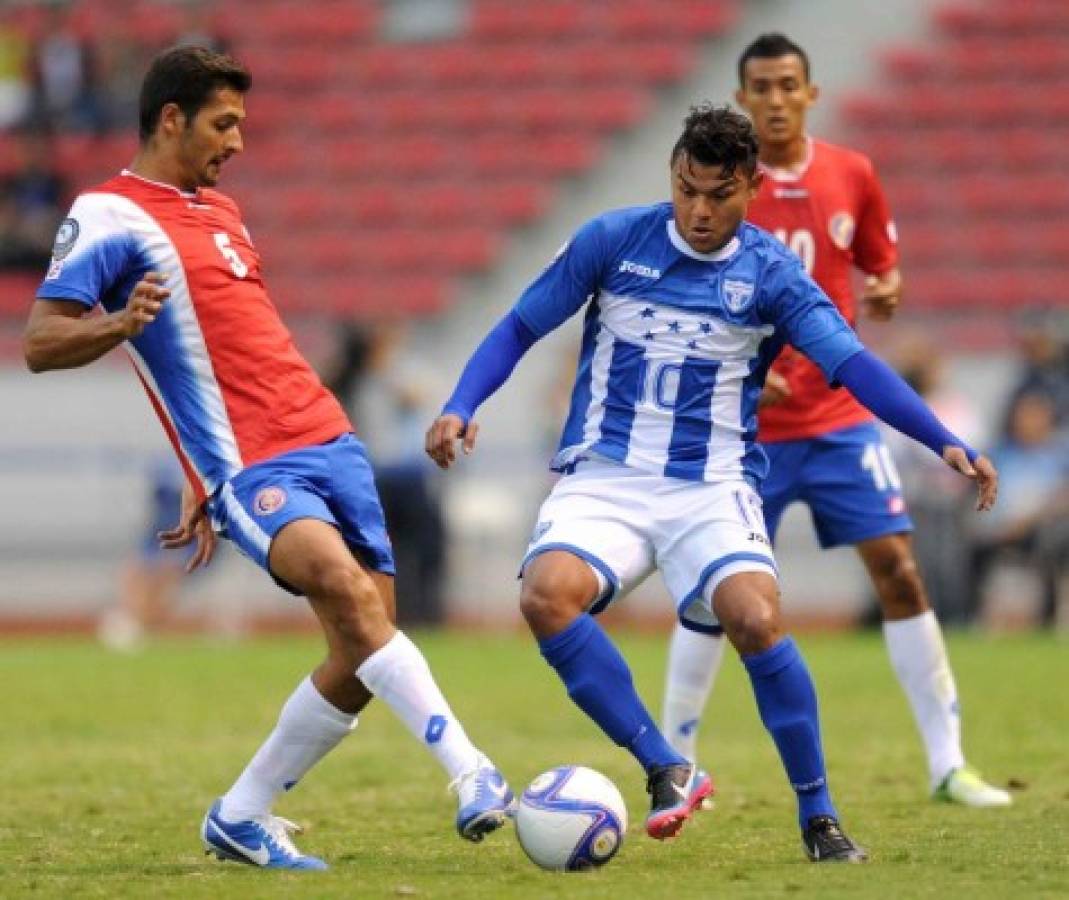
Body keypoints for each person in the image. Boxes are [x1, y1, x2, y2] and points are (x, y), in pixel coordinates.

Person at [426, 103, 997, 863]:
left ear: (750, 188)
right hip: (605, 480)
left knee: (754, 619)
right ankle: (665, 765)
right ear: (672, 173)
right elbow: (519, 328)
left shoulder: (771, 275)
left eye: (718, 194)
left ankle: (819, 819)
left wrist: (942, 439)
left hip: (710, 488)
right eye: (686, 189)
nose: (698, 210)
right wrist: (461, 403)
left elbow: (853, 366)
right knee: (543, 596)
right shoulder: (611, 240)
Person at [23, 45, 513, 872]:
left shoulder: (223, 214)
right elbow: (41, 340)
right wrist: (116, 328)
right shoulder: (109, 215)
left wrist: (187, 466)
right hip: (255, 467)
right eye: (224, 124)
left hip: (330, 439)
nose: (238, 142)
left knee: (364, 650)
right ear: (170, 119)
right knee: (351, 596)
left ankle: (241, 814)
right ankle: (473, 773)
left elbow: (219, 347)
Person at [659, 34, 1012, 810]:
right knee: (710, 599)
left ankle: (947, 762)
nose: (777, 98)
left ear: (809, 94)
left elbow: (879, 270)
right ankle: (674, 765)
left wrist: (885, 288)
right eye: (762, 86)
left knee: (899, 570)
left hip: (839, 422)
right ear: (742, 98)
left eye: (789, 84)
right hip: (743, 435)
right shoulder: (722, 192)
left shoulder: (851, 174)